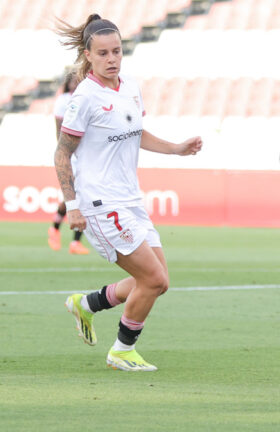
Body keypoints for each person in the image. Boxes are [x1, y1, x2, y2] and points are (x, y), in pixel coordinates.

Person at [55, 14, 202, 371]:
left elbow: (136, 132)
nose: (112, 59)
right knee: (153, 279)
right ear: (88, 55)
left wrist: (176, 148)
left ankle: (86, 304)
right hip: (100, 203)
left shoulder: (130, 86)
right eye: (103, 53)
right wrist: (72, 206)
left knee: (156, 281)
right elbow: (62, 153)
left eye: (117, 51)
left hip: (131, 200)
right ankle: (121, 350)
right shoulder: (84, 98)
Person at [48, 70, 90, 255]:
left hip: (85, 155)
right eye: (72, 80)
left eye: (78, 80)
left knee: (78, 198)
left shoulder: (86, 97)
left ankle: (62, 233)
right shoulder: (64, 100)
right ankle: (61, 232)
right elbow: (59, 130)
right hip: (71, 155)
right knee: (76, 197)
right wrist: (65, 153)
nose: (75, 83)